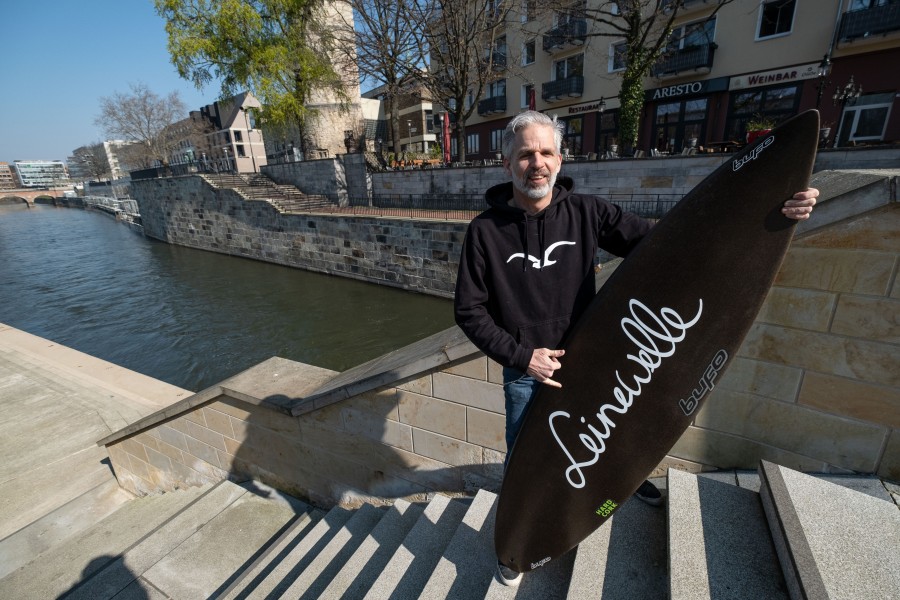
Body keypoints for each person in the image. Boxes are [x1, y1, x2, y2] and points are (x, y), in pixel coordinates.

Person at [452, 111, 818, 587]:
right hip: (530, 374)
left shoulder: (587, 212)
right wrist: (523, 356)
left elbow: (669, 246)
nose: (535, 163)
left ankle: (619, 484)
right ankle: (517, 548)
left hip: (596, 361)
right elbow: (469, 311)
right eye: (525, 154)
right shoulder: (484, 232)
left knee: (618, 432)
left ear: (560, 160)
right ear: (507, 165)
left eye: (545, 153)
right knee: (529, 463)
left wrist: (771, 210)